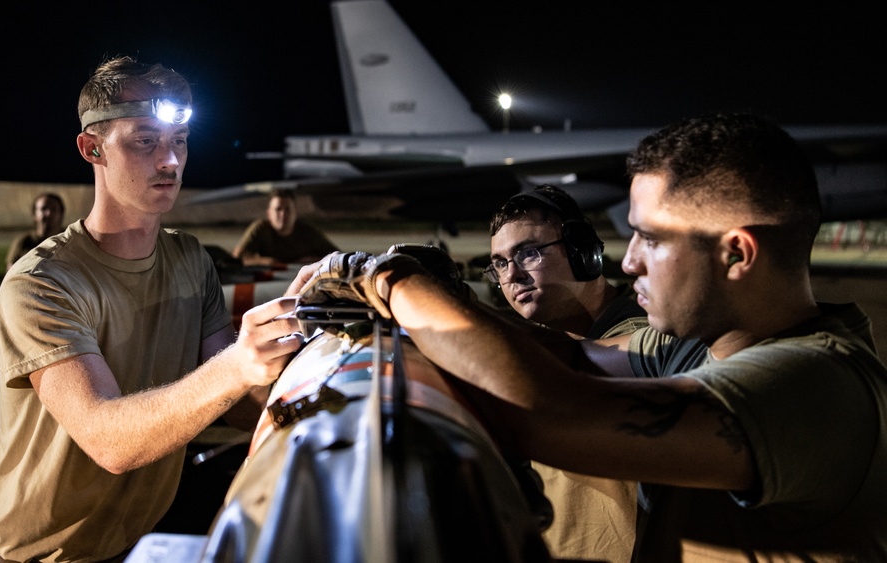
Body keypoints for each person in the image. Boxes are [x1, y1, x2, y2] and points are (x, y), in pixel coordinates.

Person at [296, 113, 887, 560]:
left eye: (651, 239)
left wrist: (383, 278)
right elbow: (566, 357)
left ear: (736, 252)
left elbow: (550, 411)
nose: (627, 262)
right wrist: (446, 296)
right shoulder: (714, 344)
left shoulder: (810, 386)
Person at [0, 56, 303, 563]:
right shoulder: (43, 282)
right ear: (91, 147)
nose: (170, 160)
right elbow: (110, 442)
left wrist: (310, 360)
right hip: (22, 557)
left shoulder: (189, 259)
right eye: (145, 140)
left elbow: (238, 401)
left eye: (180, 142)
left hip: (128, 547)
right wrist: (238, 363)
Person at [488, 185, 646, 562]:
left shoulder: (647, 337)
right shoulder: (543, 339)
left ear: (583, 251)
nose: (512, 276)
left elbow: (561, 363)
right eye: (499, 263)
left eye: (528, 254)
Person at [232, 189, 339, 266]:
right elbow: (236, 258)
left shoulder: (308, 232)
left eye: (287, 209)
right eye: (278, 209)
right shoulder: (260, 229)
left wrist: (314, 261)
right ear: (269, 214)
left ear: (295, 213)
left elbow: (337, 257)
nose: (283, 214)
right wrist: (266, 262)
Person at [5, 192, 66, 270]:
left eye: (53, 209)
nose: (48, 213)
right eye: (44, 208)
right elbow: (10, 274)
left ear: (61, 214)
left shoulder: (68, 242)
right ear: (34, 213)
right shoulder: (23, 242)